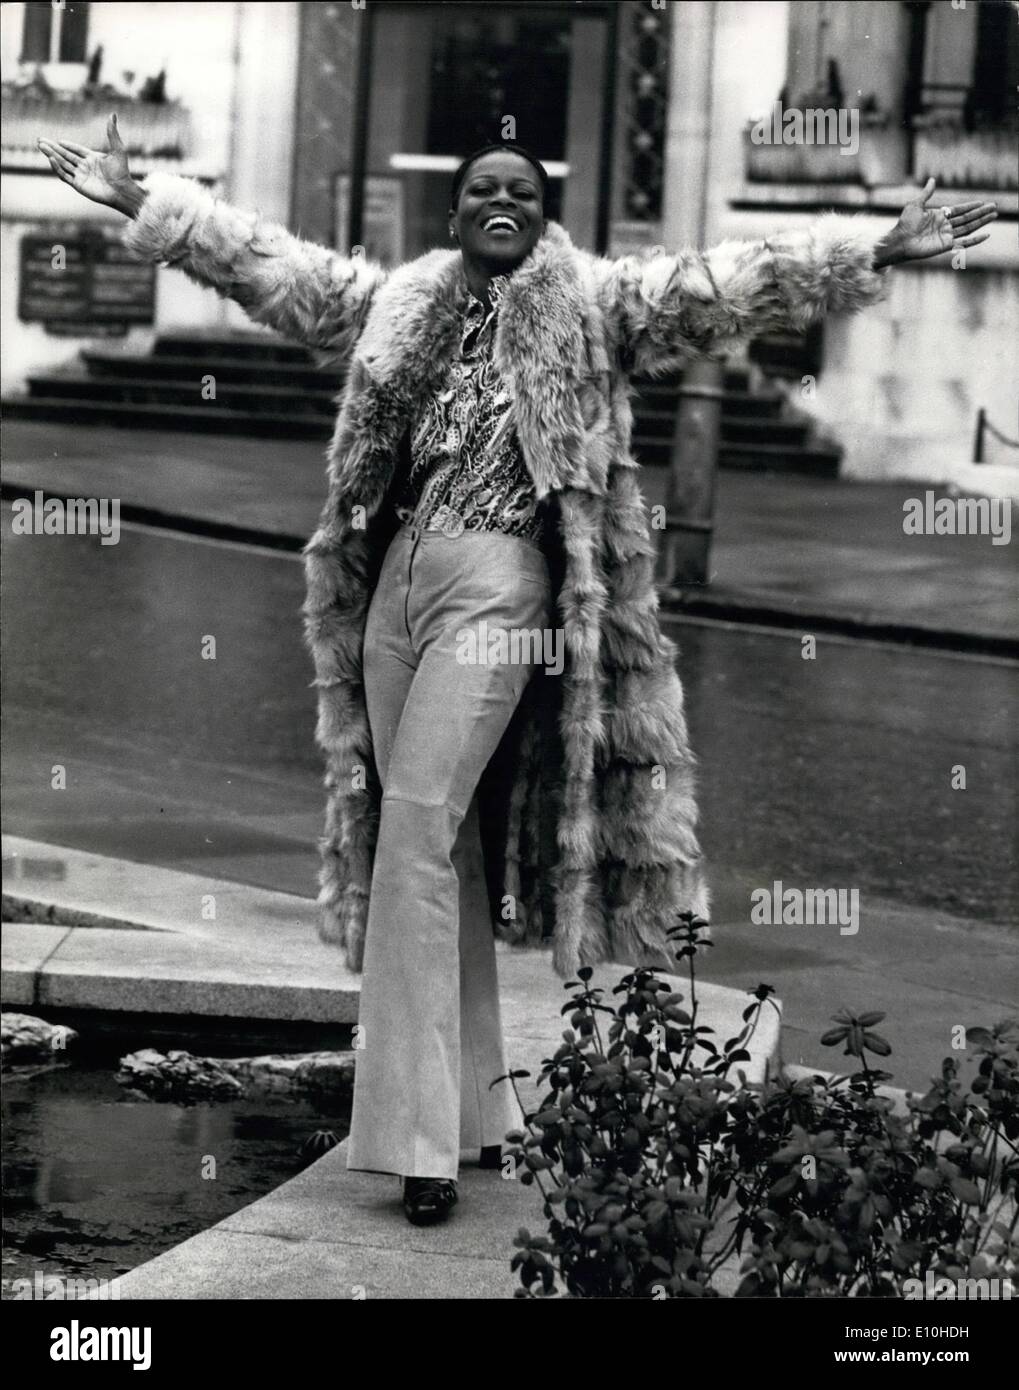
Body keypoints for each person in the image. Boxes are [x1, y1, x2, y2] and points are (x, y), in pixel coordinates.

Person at [39, 115, 996, 1226]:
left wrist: (874, 247)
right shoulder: (396, 299)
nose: (504, 203)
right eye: (483, 189)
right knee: (437, 841)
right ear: (453, 215)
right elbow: (268, 267)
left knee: (412, 827)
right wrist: (133, 199)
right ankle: (481, 1111)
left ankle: (411, 1141)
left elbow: (726, 281)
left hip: (501, 593)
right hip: (391, 587)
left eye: (525, 193)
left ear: (546, 219)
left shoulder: (590, 304)